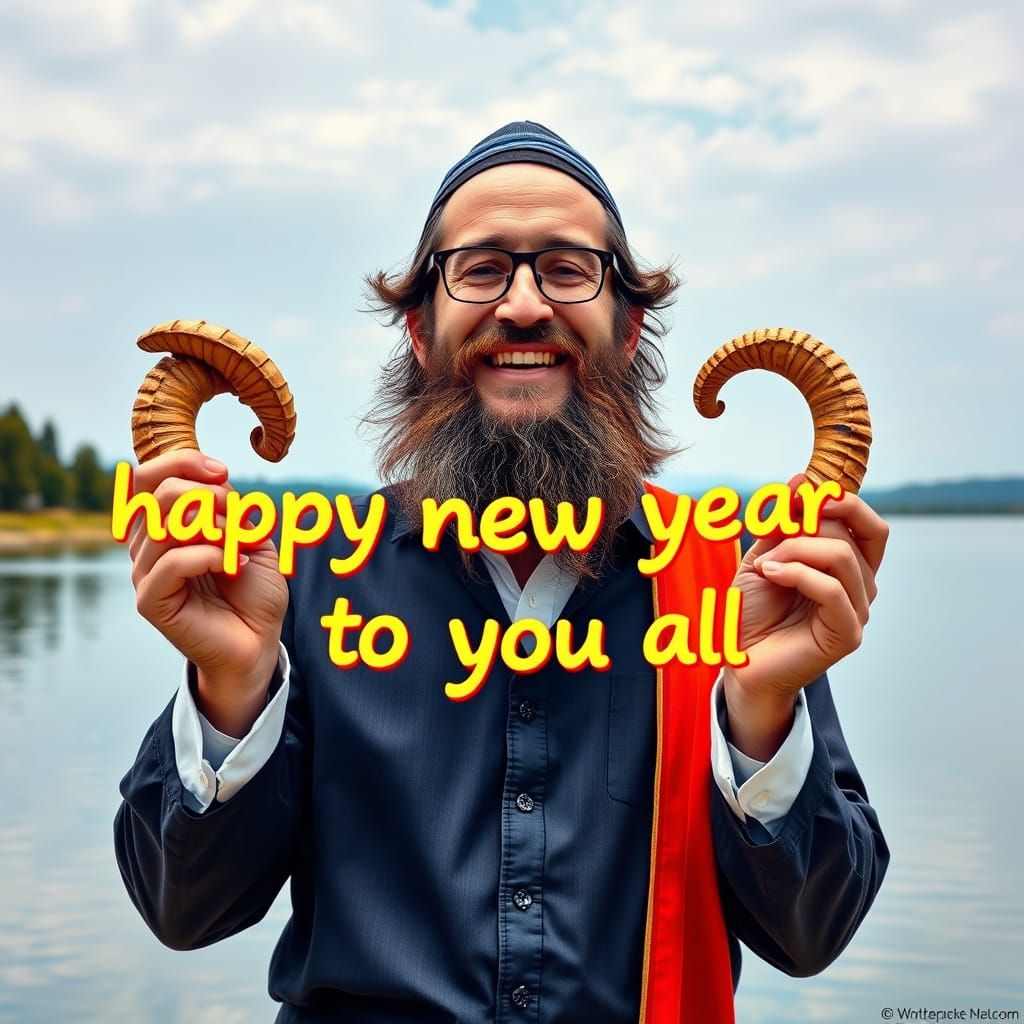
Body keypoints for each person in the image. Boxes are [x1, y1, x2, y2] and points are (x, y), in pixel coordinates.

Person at [115, 122, 890, 1023]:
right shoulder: (295, 583)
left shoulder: (733, 587)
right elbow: (184, 910)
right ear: (419, 328)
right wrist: (230, 688)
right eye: (479, 270)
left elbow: (812, 934)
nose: (524, 305)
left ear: (629, 328)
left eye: (568, 269)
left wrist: (759, 714)